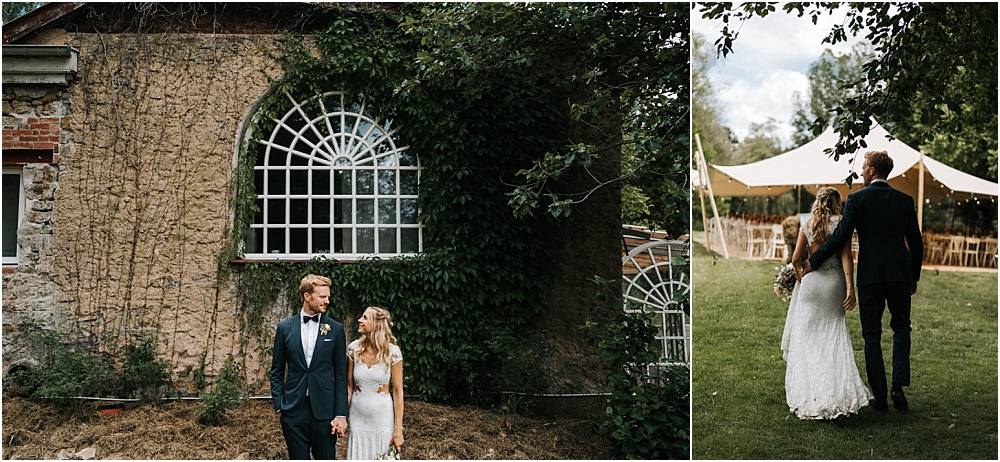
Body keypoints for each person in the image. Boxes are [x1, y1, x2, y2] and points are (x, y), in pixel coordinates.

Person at [803, 150, 923, 412]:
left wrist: (814, 261)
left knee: (872, 335)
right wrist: (913, 276)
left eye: (864, 166)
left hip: (870, 276)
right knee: (902, 328)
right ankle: (898, 386)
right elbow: (916, 243)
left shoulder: (857, 199)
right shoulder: (904, 200)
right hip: (900, 274)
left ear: (871, 169)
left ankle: (880, 397)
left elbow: (840, 237)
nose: (861, 171)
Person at [782, 187, 873, 419]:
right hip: (834, 284)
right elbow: (846, 256)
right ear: (837, 203)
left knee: (809, 337)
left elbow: (795, 258)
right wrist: (850, 287)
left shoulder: (809, 223)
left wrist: (801, 276)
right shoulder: (841, 223)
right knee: (833, 335)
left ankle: (812, 392)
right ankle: (835, 393)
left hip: (812, 284)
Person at [270, 274, 349, 459]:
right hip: (293, 410)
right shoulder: (284, 328)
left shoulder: (335, 329)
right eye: (323, 297)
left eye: (328, 297)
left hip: (325, 411)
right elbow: (276, 370)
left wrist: (340, 413)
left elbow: (340, 375)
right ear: (307, 296)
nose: (327, 301)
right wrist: (280, 405)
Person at [343, 306, 405, 460]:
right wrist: (342, 415)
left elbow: (398, 392)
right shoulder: (353, 349)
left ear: (377, 324)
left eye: (364, 317)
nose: (359, 320)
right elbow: (349, 386)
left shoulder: (393, 353)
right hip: (357, 417)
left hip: (382, 418)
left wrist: (398, 430)